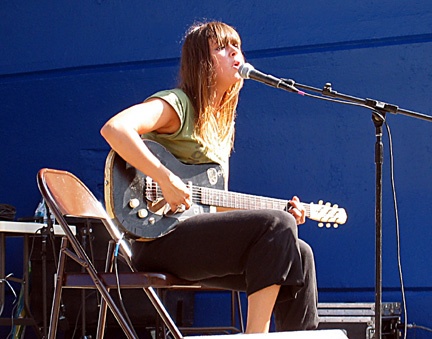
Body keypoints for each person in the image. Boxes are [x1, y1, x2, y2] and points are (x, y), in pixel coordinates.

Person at [101, 21, 319, 333]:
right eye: (222, 47)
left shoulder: (221, 126)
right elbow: (115, 129)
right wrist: (164, 177)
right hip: (157, 239)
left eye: (238, 47)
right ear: (201, 62)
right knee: (277, 226)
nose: (235, 53)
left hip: (193, 241)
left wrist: (280, 219)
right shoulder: (179, 103)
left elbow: (213, 208)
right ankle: (255, 335)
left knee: (300, 252)